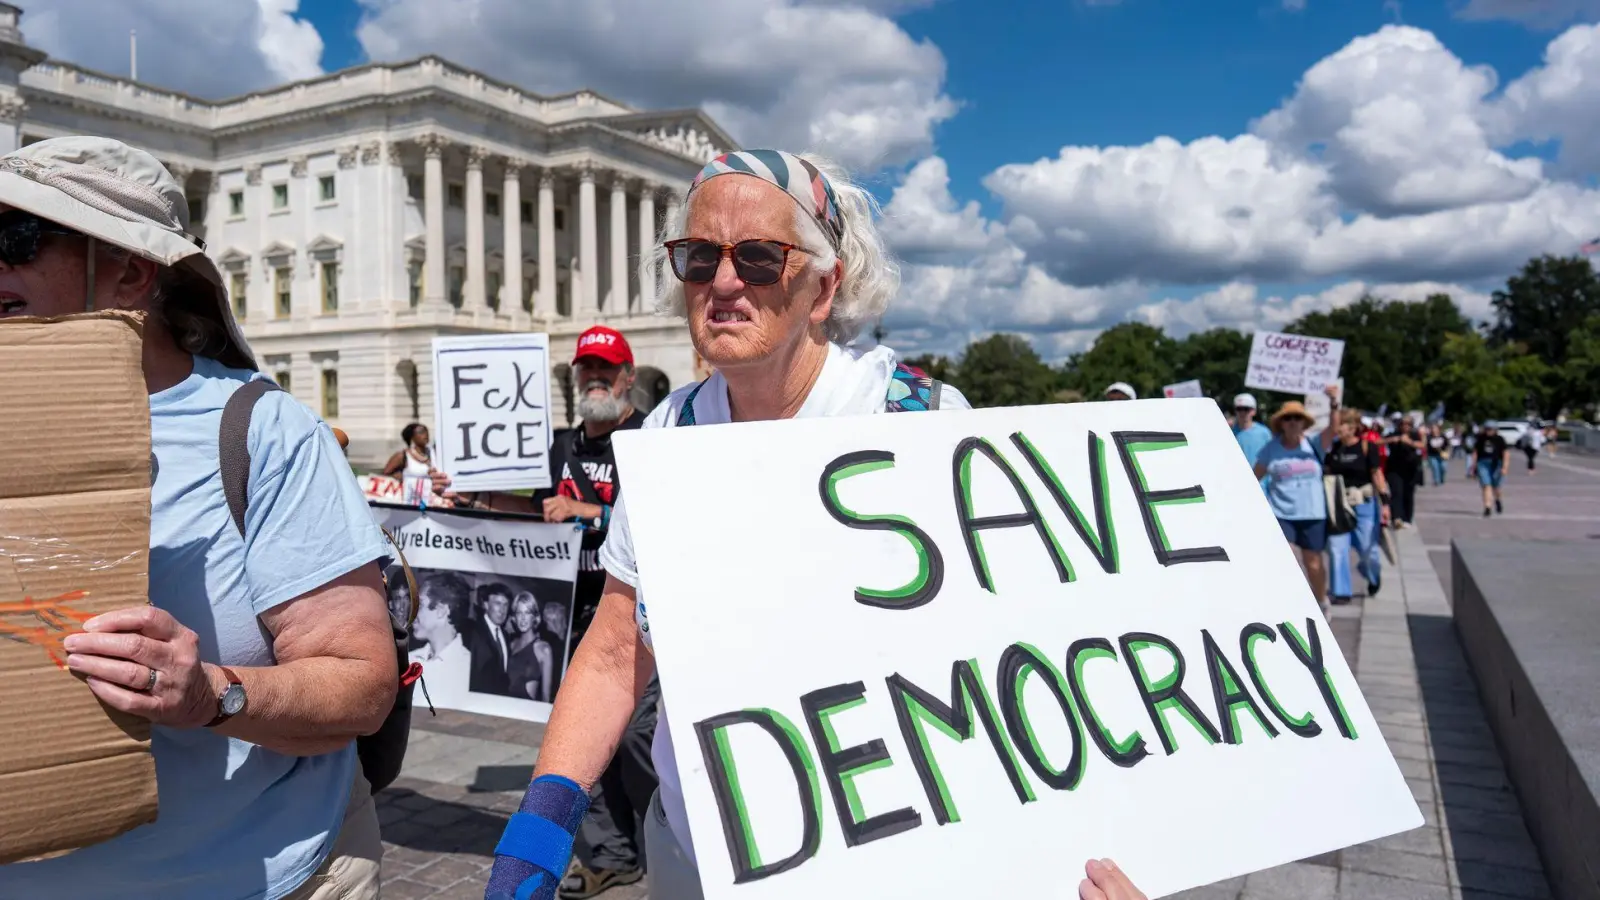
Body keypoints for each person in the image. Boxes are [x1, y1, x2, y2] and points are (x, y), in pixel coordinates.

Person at [482, 148, 1143, 900]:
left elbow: (1014, 665)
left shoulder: (912, 420)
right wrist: (542, 821)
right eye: (700, 258)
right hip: (693, 857)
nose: (724, 283)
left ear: (824, 288)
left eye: (760, 259)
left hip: (880, 867)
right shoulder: (668, 431)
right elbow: (613, 649)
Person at [0, 137, 396, 900]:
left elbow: (360, 685)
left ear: (131, 269)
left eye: (14, 238)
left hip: (256, 876)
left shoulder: (260, 433)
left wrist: (207, 693)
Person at [445, 325, 656, 897]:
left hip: (634, 618)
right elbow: (528, 508)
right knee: (584, 739)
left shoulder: (650, 438)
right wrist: (471, 499)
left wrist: (587, 511)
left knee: (639, 736)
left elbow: (664, 519)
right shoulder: (558, 447)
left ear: (628, 378)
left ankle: (667, 833)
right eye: (585, 369)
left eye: (606, 370)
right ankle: (613, 852)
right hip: (568, 616)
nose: (595, 379)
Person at [1253, 392, 1336, 613]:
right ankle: (1293, 602)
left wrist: (1334, 403)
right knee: (1286, 558)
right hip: (1281, 512)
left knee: (1313, 563)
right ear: (1281, 423)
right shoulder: (1272, 448)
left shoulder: (1314, 444)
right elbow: (1253, 477)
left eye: (1296, 418)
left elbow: (1332, 430)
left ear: (1303, 422)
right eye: (1287, 419)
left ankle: (1321, 600)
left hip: (1312, 513)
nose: (1292, 423)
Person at [1323, 409, 1391, 603]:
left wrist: (1385, 504)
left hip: (1364, 504)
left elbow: (1377, 475)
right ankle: (1342, 592)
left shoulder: (1366, 447)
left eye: (1341, 425)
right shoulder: (1333, 449)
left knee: (1368, 549)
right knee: (1337, 548)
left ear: (1352, 428)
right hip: (1339, 505)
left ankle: (1373, 575)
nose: (1338, 429)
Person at [506, 593, 555, 703]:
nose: (523, 618)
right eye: (519, 612)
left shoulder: (544, 649)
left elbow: (546, 697)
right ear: (514, 617)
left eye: (527, 612)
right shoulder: (511, 644)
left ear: (535, 617)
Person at [1383, 418, 1424, 528]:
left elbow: (1422, 445)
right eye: (1403, 424)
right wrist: (1393, 439)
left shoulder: (1414, 435)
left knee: (1408, 493)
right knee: (1396, 492)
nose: (1406, 426)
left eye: (1408, 424)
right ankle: (1396, 517)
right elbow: (1379, 441)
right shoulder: (1393, 434)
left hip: (1410, 468)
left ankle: (1407, 518)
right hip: (1395, 468)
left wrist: (1409, 442)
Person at [384, 423, 436, 502]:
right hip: (410, 500)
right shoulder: (403, 456)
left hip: (433, 500)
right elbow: (385, 474)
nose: (426, 434)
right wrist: (398, 477)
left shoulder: (434, 453)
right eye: (421, 432)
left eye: (426, 431)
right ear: (412, 437)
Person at [1474, 421, 1510, 517]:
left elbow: (1505, 453)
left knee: (1496, 487)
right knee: (1486, 485)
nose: (1488, 431)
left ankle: (1497, 500)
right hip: (1483, 463)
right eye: (1487, 429)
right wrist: (1474, 466)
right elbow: (1476, 452)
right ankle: (1487, 507)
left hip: (1497, 463)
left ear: (1495, 430)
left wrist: (1505, 467)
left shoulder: (1499, 439)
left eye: (1490, 429)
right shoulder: (1480, 438)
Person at [1231, 392, 1272, 472]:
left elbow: (1271, 458)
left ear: (1254, 411)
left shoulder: (1264, 433)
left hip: (1260, 482)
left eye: (1246, 409)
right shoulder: (1229, 432)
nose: (1242, 412)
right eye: (1239, 409)